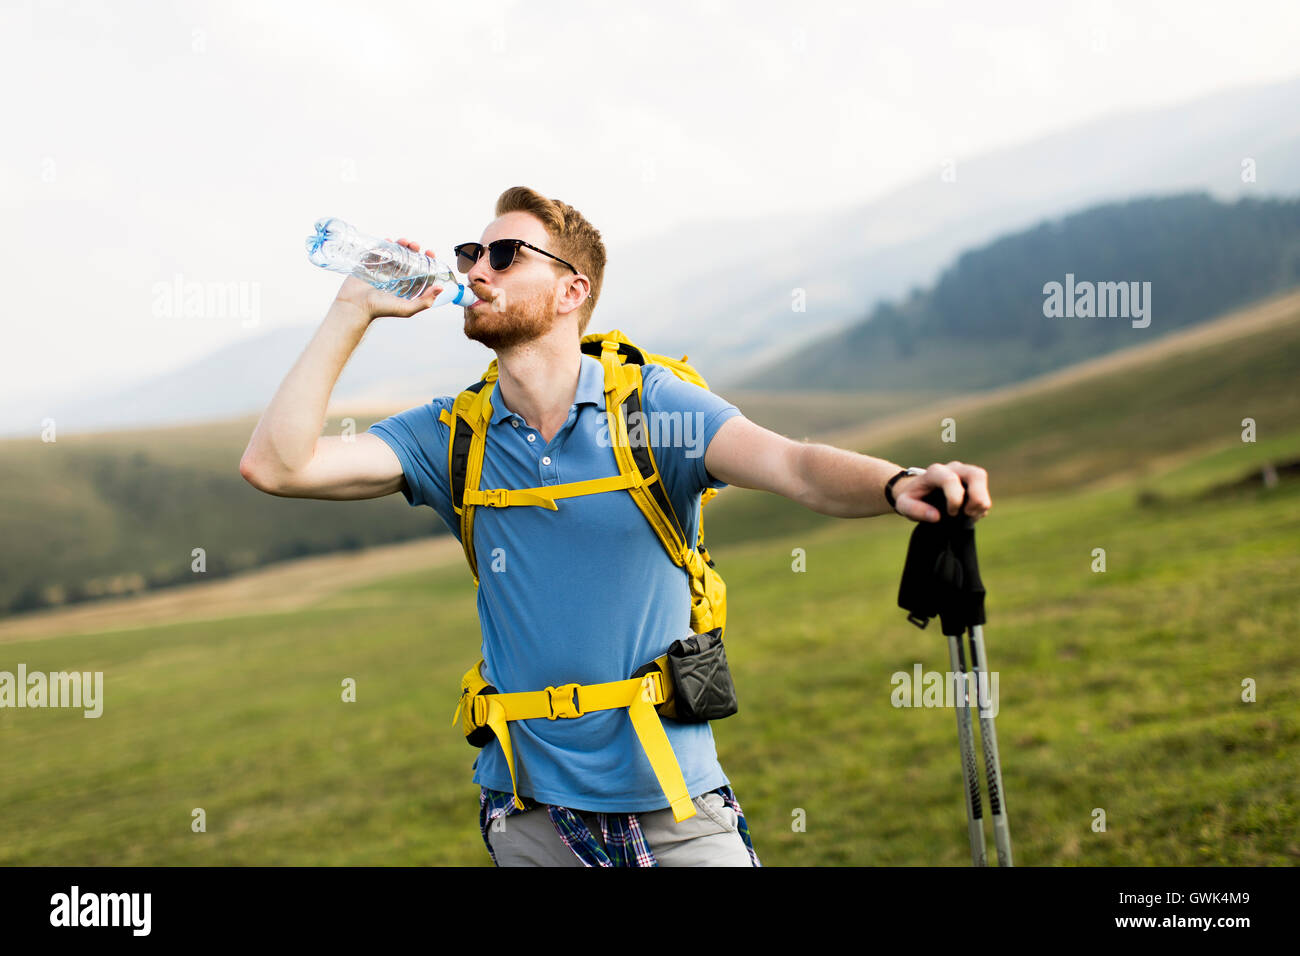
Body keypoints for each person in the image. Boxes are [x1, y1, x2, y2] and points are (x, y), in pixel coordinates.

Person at [239, 186, 993, 866]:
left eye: (504, 254)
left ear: (574, 290)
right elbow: (277, 467)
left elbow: (795, 466)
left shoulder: (654, 408)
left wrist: (898, 483)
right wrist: (352, 309)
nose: (475, 270)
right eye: (472, 253)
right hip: (527, 819)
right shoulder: (451, 435)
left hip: (676, 809)